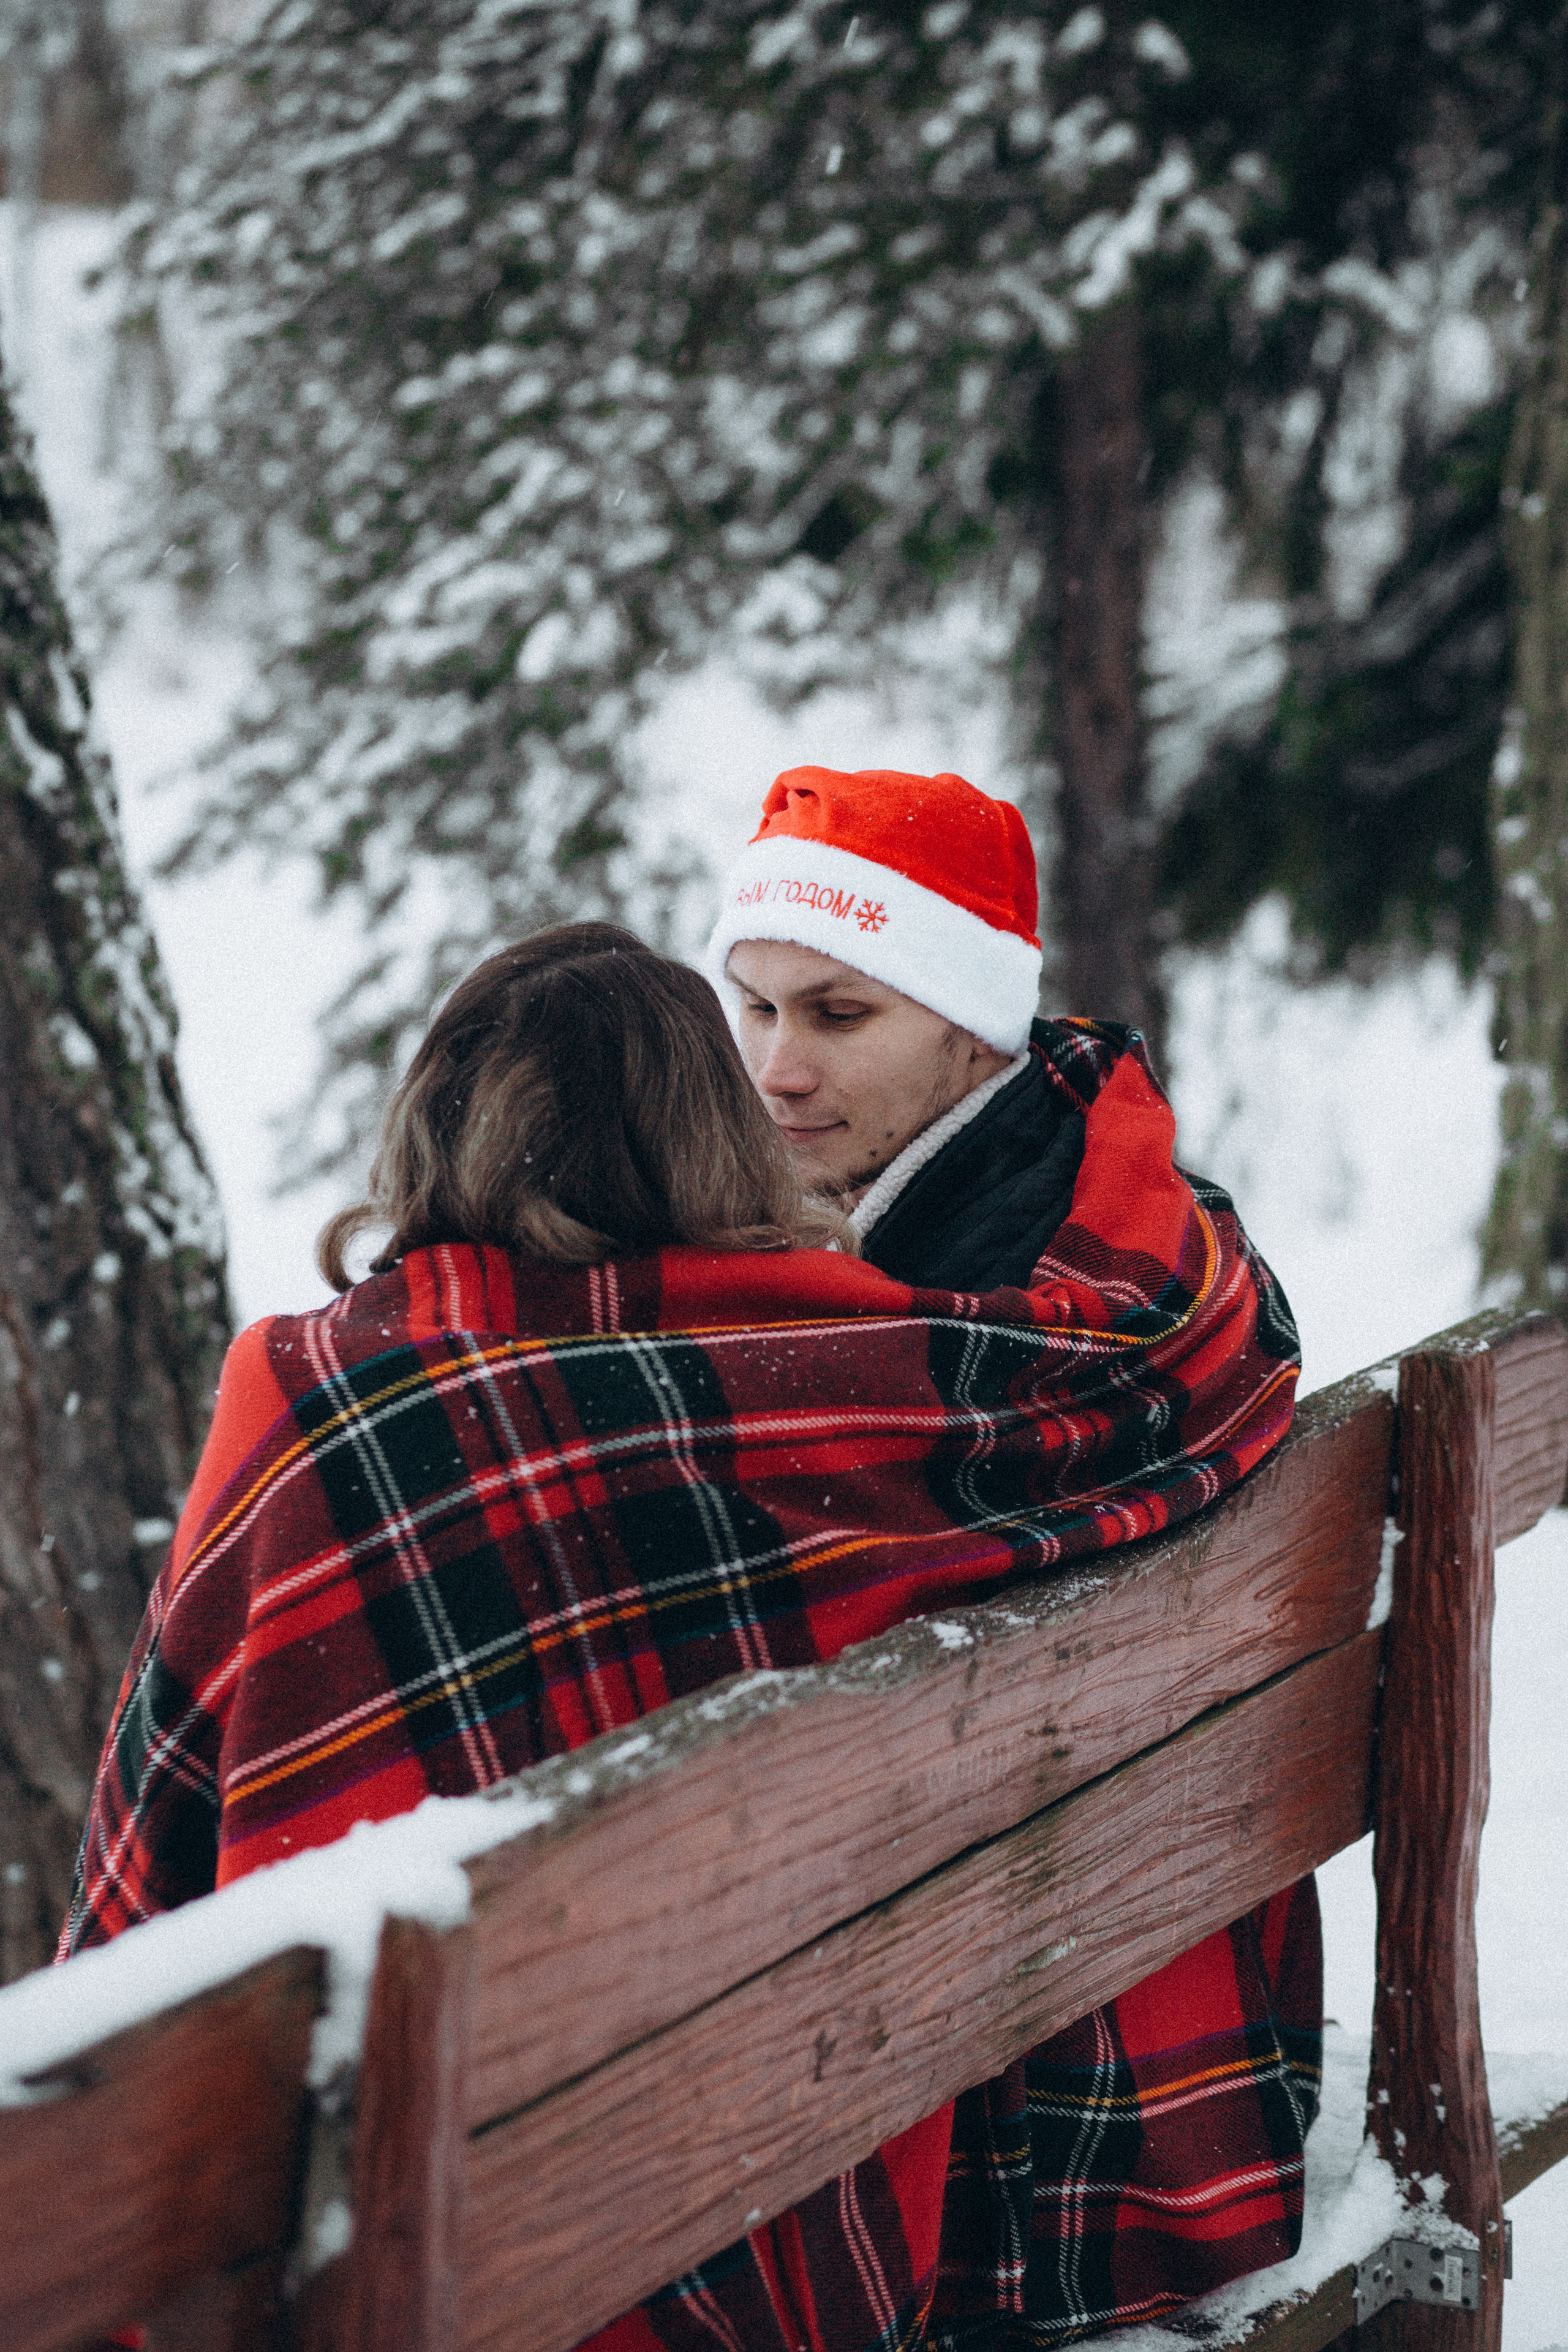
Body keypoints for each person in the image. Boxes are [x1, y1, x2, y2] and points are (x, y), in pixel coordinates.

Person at [64, 919, 1298, 2352]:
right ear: (715, 1132)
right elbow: (1169, 1346)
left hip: (441, 2229)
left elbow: (163, 1830)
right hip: (796, 2181)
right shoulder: (870, 1375)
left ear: (437, 1125)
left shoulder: (329, 1409)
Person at [708, 765, 1322, 2347]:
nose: (775, 1069)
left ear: (973, 1027)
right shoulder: (1137, 1221)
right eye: (754, 1006)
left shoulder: (951, 1342)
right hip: (1180, 2007)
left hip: (1040, 2144)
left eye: (839, 1015)